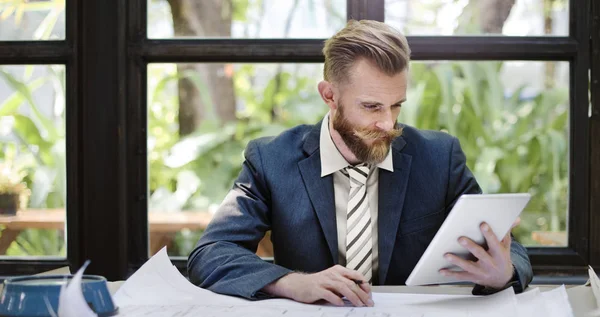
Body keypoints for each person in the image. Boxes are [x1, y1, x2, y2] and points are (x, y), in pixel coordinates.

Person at [187, 19, 533, 307]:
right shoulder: (272, 160)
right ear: (330, 95)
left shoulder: (439, 157)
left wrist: (503, 274)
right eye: (371, 106)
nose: (388, 123)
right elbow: (211, 254)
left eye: (396, 104)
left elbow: (509, 250)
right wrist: (292, 284)